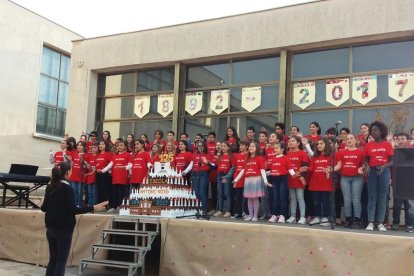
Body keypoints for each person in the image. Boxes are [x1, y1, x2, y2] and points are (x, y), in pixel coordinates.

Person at [41, 161, 108, 276]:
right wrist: (94, 207)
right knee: (61, 262)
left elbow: (43, 208)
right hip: (64, 229)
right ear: (68, 172)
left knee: (53, 260)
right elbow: (73, 210)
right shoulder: (67, 188)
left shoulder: (50, 186)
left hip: (51, 227)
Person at [363, 121, 394, 232]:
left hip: (384, 172)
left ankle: (380, 223)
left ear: (381, 131)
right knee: (372, 197)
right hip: (371, 172)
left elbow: (392, 161)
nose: (372, 132)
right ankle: (370, 222)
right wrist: (366, 165)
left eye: (375, 130)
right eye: (371, 130)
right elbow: (366, 158)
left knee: (382, 198)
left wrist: (384, 166)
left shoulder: (387, 144)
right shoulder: (369, 145)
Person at [233, 142, 270, 222]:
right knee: (249, 198)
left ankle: (255, 216)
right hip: (248, 180)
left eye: (253, 146)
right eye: (250, 146)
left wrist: (265, 180)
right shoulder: (247, 158)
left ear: (257, 148)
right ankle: (250, 215)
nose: (251, 147)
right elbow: (243, 170)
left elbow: (262, 170)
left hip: (256, 179)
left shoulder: (259, 158)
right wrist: (236, 179)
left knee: (255, 198)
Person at [333, 133, 365, 228]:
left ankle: (357, 220)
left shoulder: (360, 152)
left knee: (356, 200)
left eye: (351, 138)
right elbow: (338, 166)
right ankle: (348, 220)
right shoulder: (341, 152)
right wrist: (330, 169)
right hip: (345, 178)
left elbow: (364, 164)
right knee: (347, 200)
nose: (349, 140)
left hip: (357, 178)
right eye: (347, 139)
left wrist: (362, 169)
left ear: (355, 140)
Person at [182, 140, 215, 215]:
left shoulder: (208, 154)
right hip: (195, 173)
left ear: (204, 146)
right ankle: (197, 209)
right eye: (198, 146)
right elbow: (191, 164)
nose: (200, 147)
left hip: (204, 174)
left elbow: (213, 166)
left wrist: (207, 162)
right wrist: (185, 171)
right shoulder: (195, 154)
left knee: (203, 192)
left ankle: (204, 209)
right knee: (196, 192)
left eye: (201, 146)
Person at [307, 137, 333, 227]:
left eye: (321, 144)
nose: (319, 145)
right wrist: (306, 168)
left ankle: (325, 218)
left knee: (325, 201)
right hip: (315, 182)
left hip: (326, 182)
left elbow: (333, 168)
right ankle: (317, 217)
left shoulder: (330, 156)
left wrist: (329, 170)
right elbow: (312, 168)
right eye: (318, 144)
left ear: (326, 145)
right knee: (316, 201)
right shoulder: (315, 156)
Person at [267, 142, 295, 223]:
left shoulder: (285, 158)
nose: (275, 149)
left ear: (282, 149)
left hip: (282, 179)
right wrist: (262, 173)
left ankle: (282, 215)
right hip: (274, 179)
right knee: (275, 197)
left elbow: (290, 169)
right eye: (274, 148)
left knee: (282, 197)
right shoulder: (273, 159)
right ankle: (275, 214)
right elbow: (271, 170)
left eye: (277, 148)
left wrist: (294, 174)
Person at [101, 141, 132, 212]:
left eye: (121, 145)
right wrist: (102, 171)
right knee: (115, 193)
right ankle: (114, 207)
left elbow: (130, 165)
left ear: (125, 147)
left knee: (122, 193)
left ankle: (121, 206)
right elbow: (110, 165)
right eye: (118, 146)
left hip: (123, 179)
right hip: (115, 178)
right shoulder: (115, 156)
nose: (119, 147)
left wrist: (124, 168)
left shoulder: (128, 155)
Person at [392, 132, 414, 232]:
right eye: (398, 139)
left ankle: (409, 224)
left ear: (407, 140)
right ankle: (395, 223)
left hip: (409, 182)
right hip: (397, 181)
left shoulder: (411, 151)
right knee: (397, 204)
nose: (400, 140)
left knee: (409, 204)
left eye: (402, 139)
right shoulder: (394, 150)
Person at [286, 136, 309, 224]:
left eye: (292, 141)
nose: (290, 142)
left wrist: (300, 175)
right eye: (289, 141)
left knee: (300, 197)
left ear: (298, 143)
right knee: (292, 198)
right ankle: (293, 216)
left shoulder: (302, 153)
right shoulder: (287, 154)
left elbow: (304, 166)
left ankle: (302, 217)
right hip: (290, 178)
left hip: (299, 178)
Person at [215, 141, 233, 218]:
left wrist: (227, 177)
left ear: (228, 147)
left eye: (225, 146)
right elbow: (216, 166)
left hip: (227, 175)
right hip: (219, 175)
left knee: (227, 193)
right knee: (220, 193)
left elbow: (233, 168)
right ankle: (220, 210)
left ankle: (228, 211)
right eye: (222, 146)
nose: (223, 148)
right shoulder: (220, 156)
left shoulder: (231, 156)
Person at [69, 141, 89, 206]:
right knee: (73, 191)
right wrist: (70, 161)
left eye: (81, 145)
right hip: (73, 175)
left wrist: (82, 161)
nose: (79, 146)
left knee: (79, 191)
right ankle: (74, 204)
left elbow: (87, 167)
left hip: (80, 176)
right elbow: (72, 163)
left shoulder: (86, 155)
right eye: (78, 145)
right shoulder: (74, 153)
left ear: (84, 147)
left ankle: (79, 204)